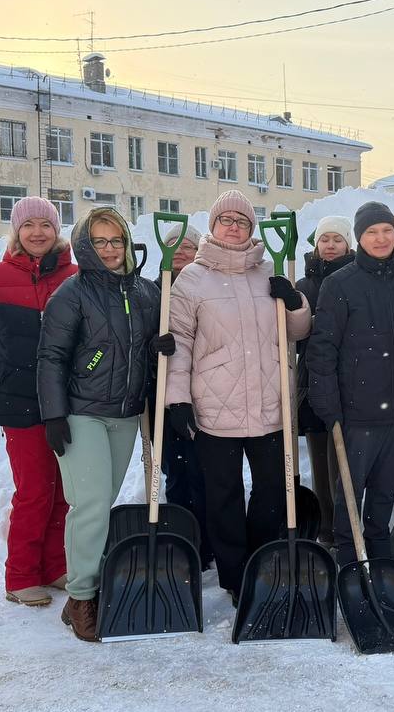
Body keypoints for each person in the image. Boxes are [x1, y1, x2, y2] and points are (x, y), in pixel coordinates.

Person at [166, 190, 311, 606]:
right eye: (225, 219)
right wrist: (178, 399)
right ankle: (234, 575)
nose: (233, 226)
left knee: (270, 492)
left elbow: (297, 333)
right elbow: (181, 342)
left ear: (252, 229)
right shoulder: (192, 279)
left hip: (269, 405)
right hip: (215, 408)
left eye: (242, 221)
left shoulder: (270, 272)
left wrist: (295, 303)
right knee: (223, 496)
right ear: (212, 226)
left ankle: (262, 564)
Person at [37, 207, 164, 641]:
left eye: (116, 241)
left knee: (100, 504)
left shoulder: (147, 293)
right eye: (100, 242)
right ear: (84, 246)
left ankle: (81, 589)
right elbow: (51, 356)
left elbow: (141, 350)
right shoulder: (71, 295)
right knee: (90, 504)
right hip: (81, 410)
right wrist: (54, 413)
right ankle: (81, 598)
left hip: (125, 414)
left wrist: (159, 346)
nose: (109, 250)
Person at [0, 197, 78, 608]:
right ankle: (20, 575)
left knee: (65, 491)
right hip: (19, 402)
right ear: (16, 232)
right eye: (28, 225)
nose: (38, 233)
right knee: (34, 490)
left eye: (46, 225)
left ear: (57, 231)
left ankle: (54, 566)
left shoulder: (76, 276)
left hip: (69, 398)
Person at [306, 202, 394, 564]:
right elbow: (322, 349)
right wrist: (327, 404)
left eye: (386, 231)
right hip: (355, 412)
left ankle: (379, 548)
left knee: (384, 492)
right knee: (348, 492)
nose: (381, 238)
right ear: (359, 238)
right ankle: (348, 553)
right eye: (372, 232)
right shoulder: (339, 284)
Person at [148, 222, 213, 570]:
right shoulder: (151, 293)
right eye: (174, 246)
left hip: (205, 395)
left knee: (205, 473)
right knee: (175, 472)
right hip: (161, 400)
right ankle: (182, 541)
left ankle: (207, 542)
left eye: (188, 247)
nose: (181, 253)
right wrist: (151, 347)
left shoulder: (208, 289)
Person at [295, 216, 356, 546]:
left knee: (344, 462)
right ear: (316, 245)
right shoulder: (304, 286)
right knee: (320, 461)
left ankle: (347, 529)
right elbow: (296, 338)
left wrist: (322, 324)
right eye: (324, 239)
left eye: (337, 239)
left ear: (349, 244)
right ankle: (326, 529)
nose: (330, 245)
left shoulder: (356, 279)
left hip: (349, 383)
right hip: (312, 382)